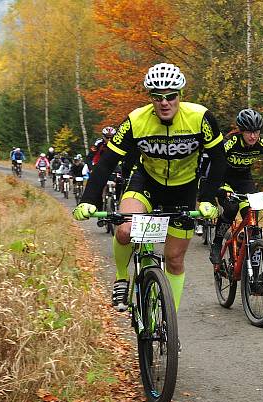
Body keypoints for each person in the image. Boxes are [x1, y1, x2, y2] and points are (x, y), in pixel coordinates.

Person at [72, 63, 226, 312]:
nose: (164, 102)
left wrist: (207, 198)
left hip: (184, 188)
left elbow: (219, 160)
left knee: (174, 260)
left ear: (181, 96)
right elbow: (106, 163)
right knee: (125, 230)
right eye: (157, 96)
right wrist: (89, 200)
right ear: (150, 98)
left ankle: (169, 320)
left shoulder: (201, 118)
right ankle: (122, 277)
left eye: (170, 96)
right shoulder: (136, 120)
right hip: (146, 182)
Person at [208, 108, 263, 264]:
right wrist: (216, 187)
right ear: (241, 131)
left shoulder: (262, 144)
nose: (253, 136)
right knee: (231, 208)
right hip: (225, 179)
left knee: (251, 215)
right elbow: (215, 165)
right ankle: (217, 243)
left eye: (256, 132)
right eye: (249, 132)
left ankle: (244, 242)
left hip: (244, 180)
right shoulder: (231, 142)